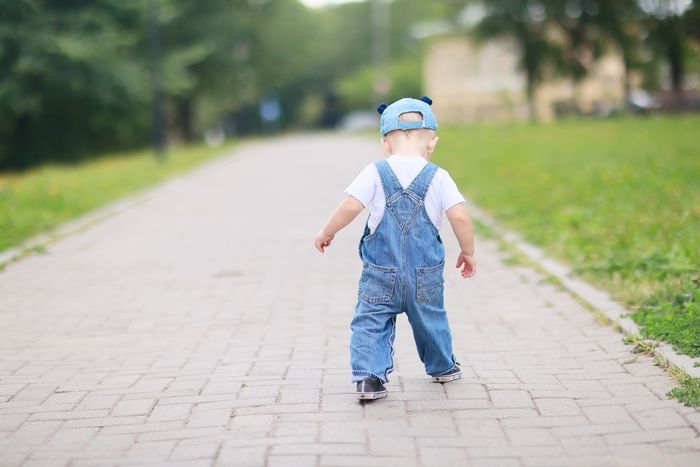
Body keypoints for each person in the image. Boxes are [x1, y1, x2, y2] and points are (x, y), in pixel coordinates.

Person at [314, 96, 476, 400]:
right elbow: (459, 216)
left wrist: (327, 231)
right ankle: (442, 367)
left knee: (370, 322)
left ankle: (369, 378)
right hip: (424, 274)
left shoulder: (374, 172)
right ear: (432, 143)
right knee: (431, 320)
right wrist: (468, 251)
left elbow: (350, 206)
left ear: (385, 144)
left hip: (380, 273)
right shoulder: (439, 176)